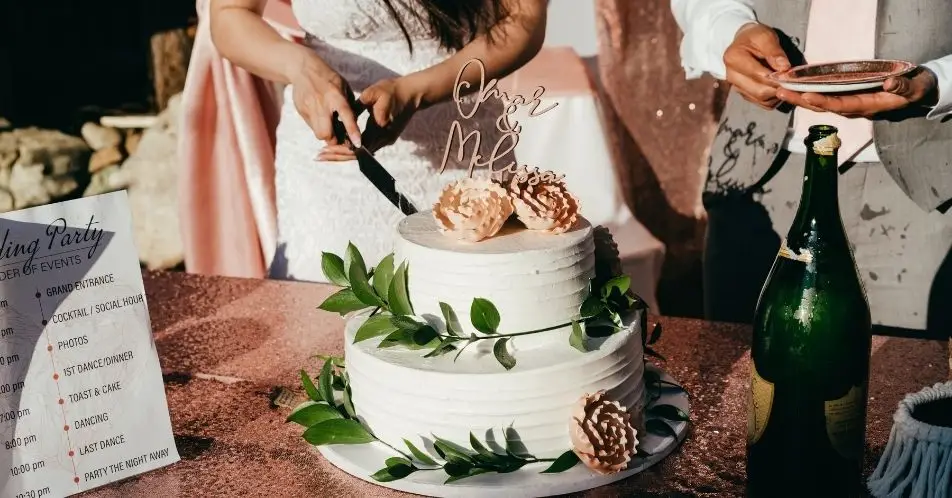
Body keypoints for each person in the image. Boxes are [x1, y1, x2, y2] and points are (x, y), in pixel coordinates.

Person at [671, 0, 952, 338]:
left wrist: (941, 80)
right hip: (761, 172)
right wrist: (729, 30)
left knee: (911, 381)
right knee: (740, 374)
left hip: (929, 183)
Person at [208, 0, 547, 280]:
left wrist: (415, 92)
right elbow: (230, 15)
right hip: (331, 162)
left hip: (460, 149)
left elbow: (522, 20)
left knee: (474, 312)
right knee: (324, 333)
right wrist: (300, 68)